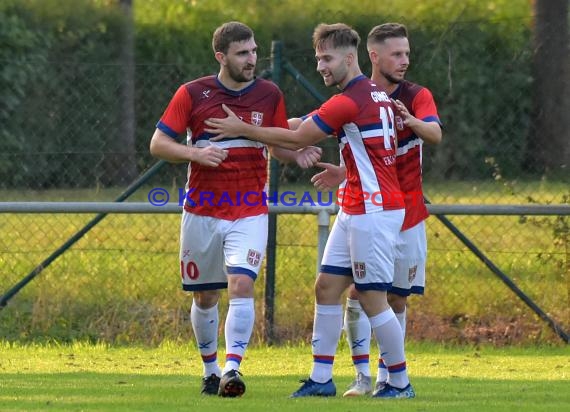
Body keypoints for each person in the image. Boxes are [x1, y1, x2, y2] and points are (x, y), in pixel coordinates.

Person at [205, 22, 415, 399]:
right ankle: (321, 379)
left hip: (375, 211)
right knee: (327, 286)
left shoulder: (351, 99)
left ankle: (399, 382)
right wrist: (248, 126)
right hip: (356, 207)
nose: (320, 66)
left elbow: (300, 137)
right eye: (317, 59)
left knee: (371, 297)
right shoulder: (366, 94)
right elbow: (303, 123)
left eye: (326, 58)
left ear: (350, 58)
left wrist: (245, 130)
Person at [149, 21, 321, 398]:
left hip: (249, 210)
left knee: (241, 284)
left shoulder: (269, 94)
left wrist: (296, 154)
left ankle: (232, 368)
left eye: (255, 51)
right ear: (221, 56)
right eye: (243, 53)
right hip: (202, 210)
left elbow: (275, 143)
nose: (252, 59)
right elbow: (159, 144)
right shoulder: (192, 93)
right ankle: (210, 370)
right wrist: (195, 152)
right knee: (205, 296)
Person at [311, 22, 443, 397]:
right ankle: (361, 376)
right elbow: (326, 130)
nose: (405, 61)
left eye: (407, 53)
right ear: (373, 56)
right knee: (354, 293)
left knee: (393, 297)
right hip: (368, 208)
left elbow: (434, 134)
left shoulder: (415, 96)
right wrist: (343, 170)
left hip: (406, 214)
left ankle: (391, 378)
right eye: (397, 54)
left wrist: (410, 120)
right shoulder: (357, 94)